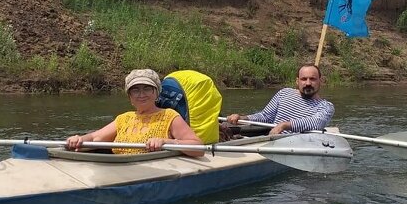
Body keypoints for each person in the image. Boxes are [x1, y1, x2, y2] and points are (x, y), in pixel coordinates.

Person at [65, 68, 204, 156]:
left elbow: (198, 148)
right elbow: (96, 138)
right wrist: (80, 139)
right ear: (130, 97)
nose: (141, 94)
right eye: (135, 90)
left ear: (156, 93)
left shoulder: (170, 116)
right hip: (119, 170)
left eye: (147, 88)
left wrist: (166, 142)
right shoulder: (124, 118)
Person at [226, 63, 334, 135]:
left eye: (313, 79)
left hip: (295, 145)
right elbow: (265, 116)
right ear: (297, 81)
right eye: (304, 79)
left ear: (321, 81)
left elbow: (317, 123)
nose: (308, 83)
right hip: (270, 139)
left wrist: (284, 125)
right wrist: (243, 118)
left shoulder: (326, 106)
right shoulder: (284, 93)